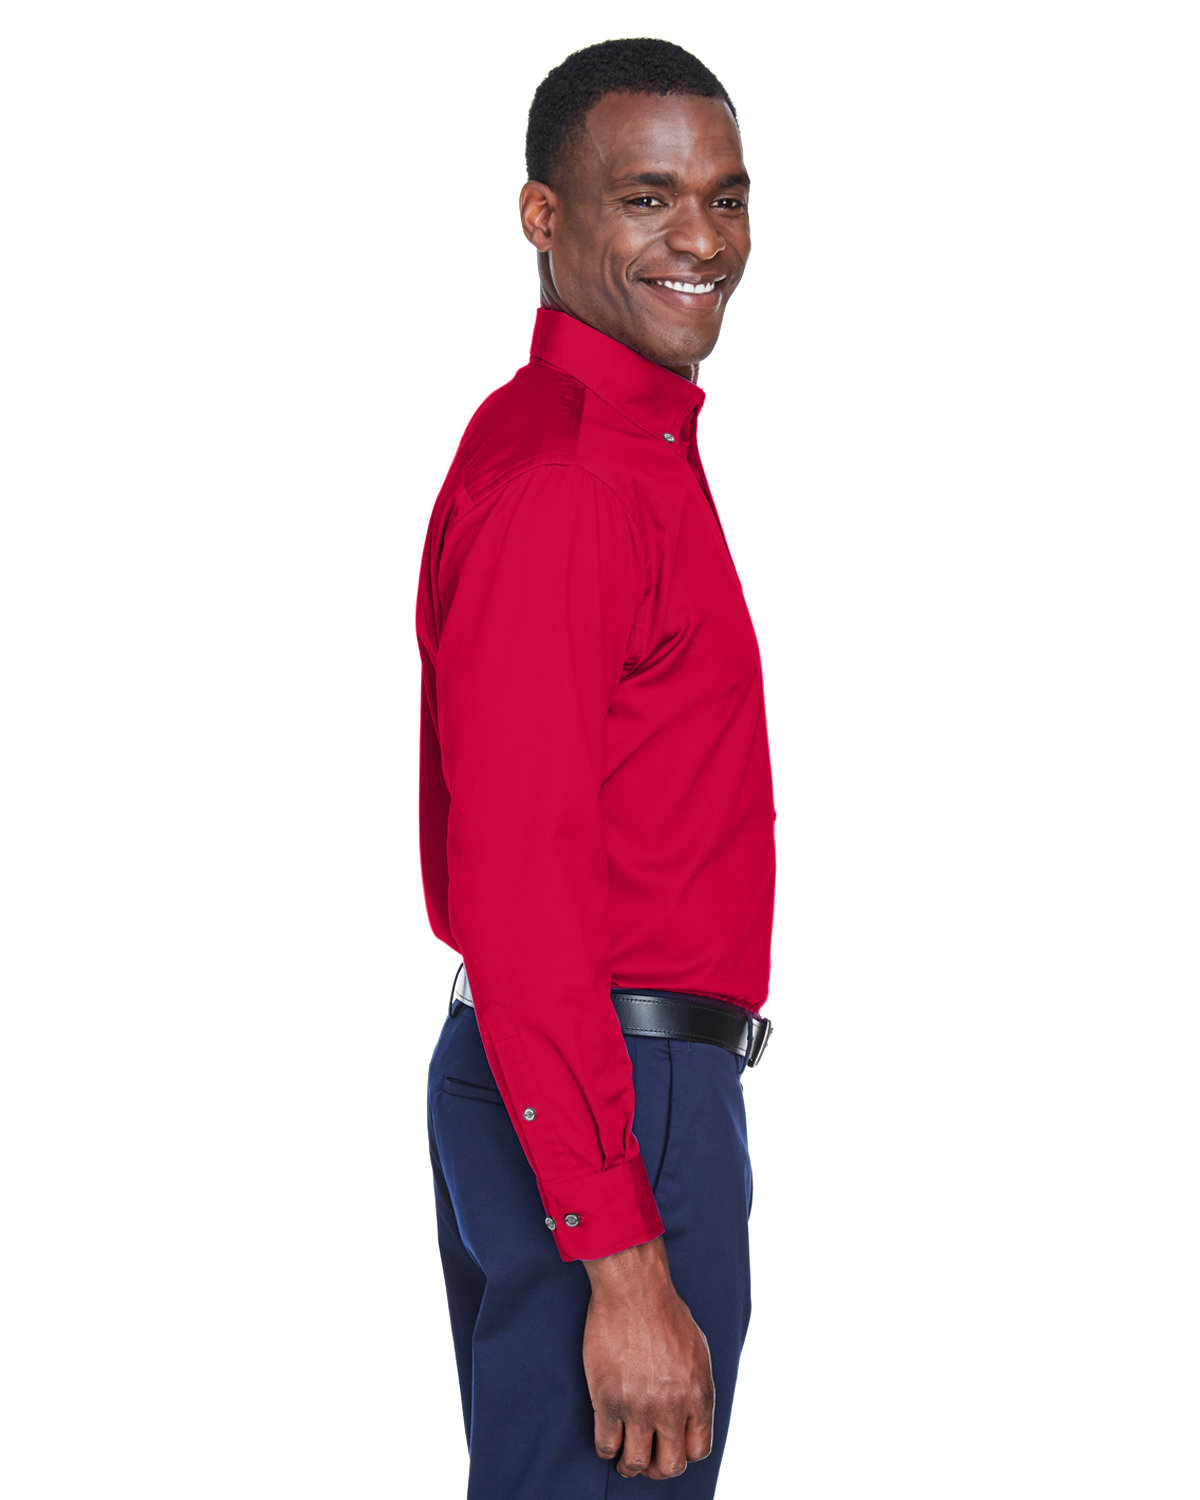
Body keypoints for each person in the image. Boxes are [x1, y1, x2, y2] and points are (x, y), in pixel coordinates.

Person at [415, 38, 777, 1497]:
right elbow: (522, 881)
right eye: (647, 198)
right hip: (607, 1099)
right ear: (542, 216)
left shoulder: (620, 445)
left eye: (726, 196)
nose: (702, 238)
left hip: (597, 1086)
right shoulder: (572, 480)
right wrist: (621, 1256)